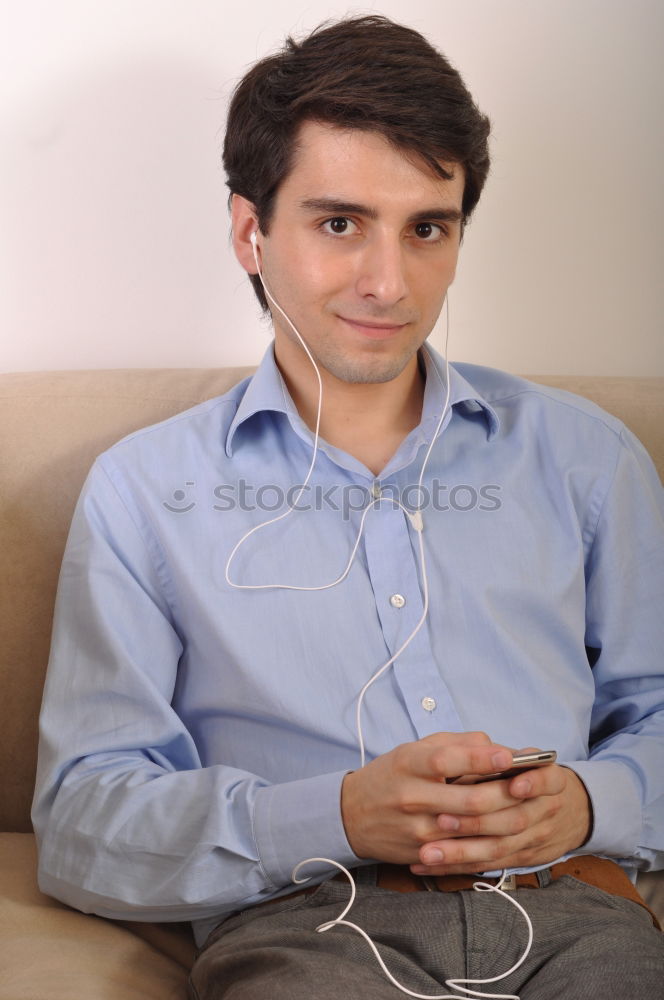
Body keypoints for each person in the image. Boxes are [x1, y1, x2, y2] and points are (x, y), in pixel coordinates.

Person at [32, 15, 664, 999]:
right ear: (251, 230)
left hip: (576, 911)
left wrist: (589, 802)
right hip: (307, 922)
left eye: (428, 228)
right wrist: (335, 816)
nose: (388, 281)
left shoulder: (585, 457)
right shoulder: (144, 491)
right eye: (339, 223)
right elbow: (81, 824)